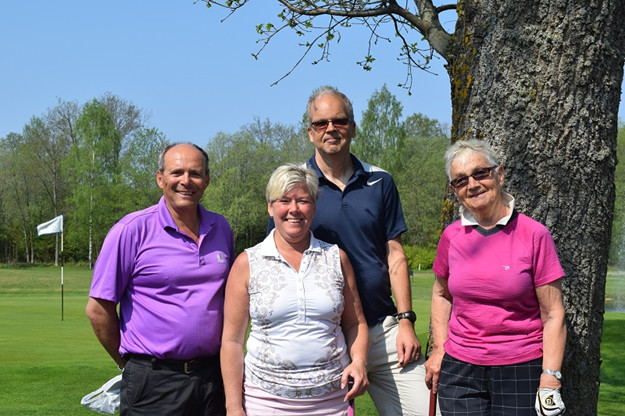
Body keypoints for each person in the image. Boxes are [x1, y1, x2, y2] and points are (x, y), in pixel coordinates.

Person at [269, 86, 432, 415]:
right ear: (310, 133)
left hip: (382, 331)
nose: (330, 128)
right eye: (321, 123)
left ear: (353, 127)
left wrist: (405, 322)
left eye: (339, 121)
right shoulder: (295, 189)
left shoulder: (380, 181)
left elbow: (395, 255)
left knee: (430, 410)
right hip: (321, 337)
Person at [86, 142, 234, 416]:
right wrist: (129, 366)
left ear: (207, 180)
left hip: (212, 378)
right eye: (176, 172)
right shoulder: (131, 230)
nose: (185, 181)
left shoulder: (221, 228)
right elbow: (98, 310)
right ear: (160, 179)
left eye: (195, 173)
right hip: (153, 381)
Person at [424, 139, 567, 416]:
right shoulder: (451, 236)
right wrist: (440, 348)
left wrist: (550, 377)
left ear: (499, 175)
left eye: (480, 173)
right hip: (460, 371)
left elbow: (553, 313)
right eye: (461, 180)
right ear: (455, 191)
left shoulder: (534, 235)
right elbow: (441, 294)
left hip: (521, 369)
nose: (473, 184)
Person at [221, 163, 369, 415]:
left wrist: (359, 361)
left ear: (313, 206)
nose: (293, 209)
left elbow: (356, 323)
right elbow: (232, 342)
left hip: (332, 401)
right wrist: (233, 406)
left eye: (303, 200)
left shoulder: (336, 258)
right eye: (284, 200)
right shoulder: (247, 263)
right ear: (270, 206)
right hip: (266, 402)